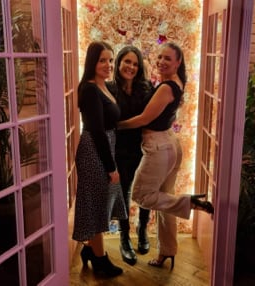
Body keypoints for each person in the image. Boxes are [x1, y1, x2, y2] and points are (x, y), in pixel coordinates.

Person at [117, 42, 214, 270]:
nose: (161, 61)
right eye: (159, 57)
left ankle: (188, 202)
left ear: (178, 62)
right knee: (164, 202)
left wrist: (116, 125)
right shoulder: (176, 82)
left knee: (142, 195)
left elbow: (143, 119)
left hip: (159, 146)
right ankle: (167, 252)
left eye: (167, 58)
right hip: (170, 143)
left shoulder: (166, 87)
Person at [72, 41, 127, 278]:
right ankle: (100, 260)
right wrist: (111, 167)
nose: (108, 65)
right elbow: (96, 131)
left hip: (103, 149)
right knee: (96, 207)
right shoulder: (89, 89)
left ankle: (90, 250)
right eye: (102, 60)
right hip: (94, 151)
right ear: (92, 62)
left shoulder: (107, 87)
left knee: (100, 205)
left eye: (110, 60)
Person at [108, 46, 154, 266]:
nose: (131, 67)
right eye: (127, 62)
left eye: (135, 64)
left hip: (143, 147)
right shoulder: (108, 89)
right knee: (123, 193)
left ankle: (142, 229)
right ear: (118, 63)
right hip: (119, 150)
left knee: (146, 190)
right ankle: (124, 238)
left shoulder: (146, 88)